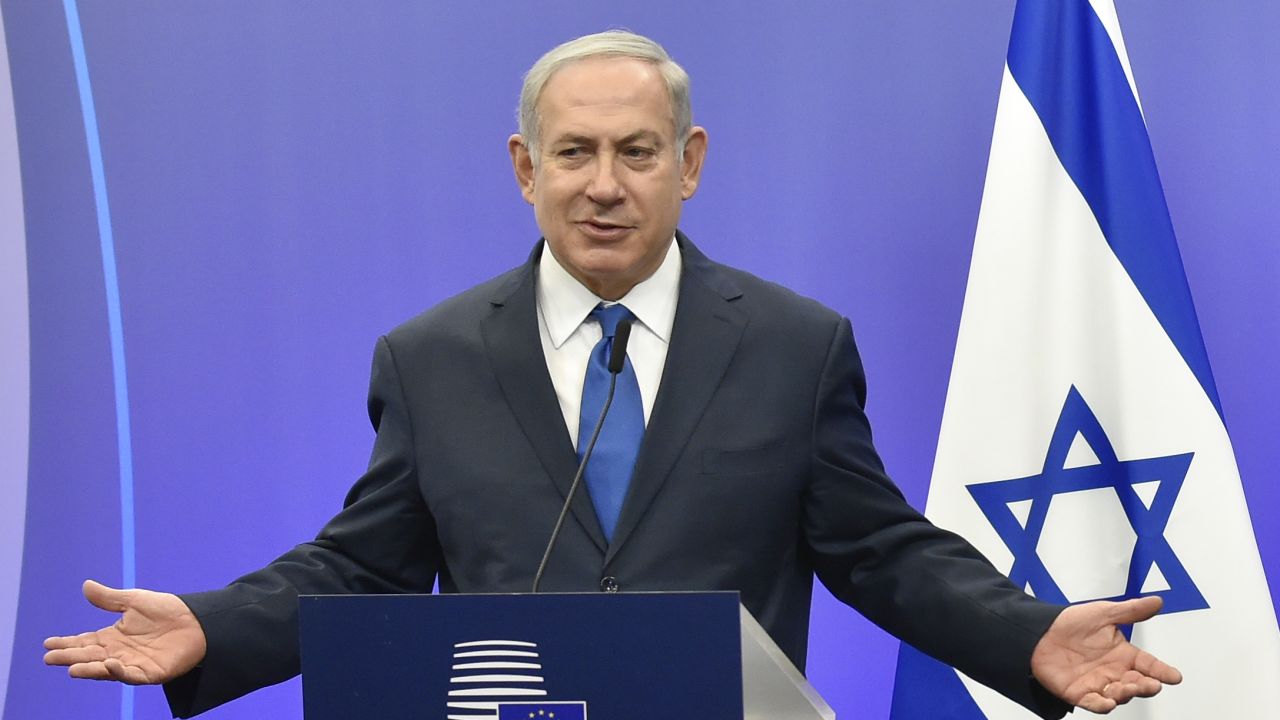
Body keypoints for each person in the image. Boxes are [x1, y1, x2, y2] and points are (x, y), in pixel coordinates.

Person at [44, 30, 1180, 718]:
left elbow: (879, 551)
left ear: (686, 166)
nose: (602, 184)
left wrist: (1022, 634)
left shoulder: (794, 346)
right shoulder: (430, 357)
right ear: (522, 167)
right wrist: (211, 625)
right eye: (573, 153)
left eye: (635, 152)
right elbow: (362, 567)